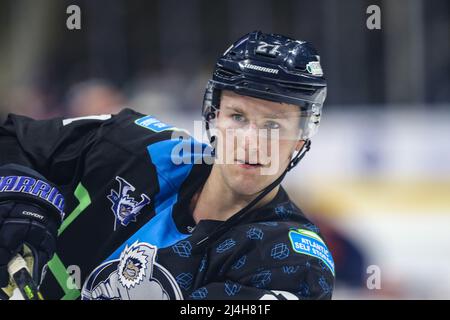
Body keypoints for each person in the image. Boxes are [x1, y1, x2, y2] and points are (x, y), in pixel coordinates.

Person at [0, 31, 334, 300]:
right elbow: (13, 140)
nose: (251, 140)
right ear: (212, 116)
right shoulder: (139, 147)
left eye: (273, 126)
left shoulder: (294, 263)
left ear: (301, 138)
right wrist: (20, 191)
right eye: (237, 116)